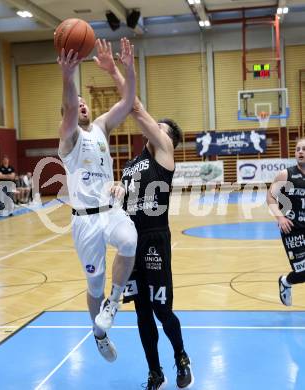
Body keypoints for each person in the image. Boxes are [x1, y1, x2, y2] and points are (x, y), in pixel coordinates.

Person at [94, 39, 193, 389]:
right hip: (130, 241)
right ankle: (155, 371)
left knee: (162, 310)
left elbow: (134, 107)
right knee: (141, 314)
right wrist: (116, 191)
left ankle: (181, 356)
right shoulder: (134, 163)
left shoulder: (165, 152)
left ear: (168, 138)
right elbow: (119, 201)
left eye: (159, 126)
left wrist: (116, 71)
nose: (153, 127)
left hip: (154, 239)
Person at [57, 38, 138, 362]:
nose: (81, 105)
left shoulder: (102, 127)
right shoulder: (68, 139)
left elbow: (128, 99)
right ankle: (99, 333)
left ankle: (115, 302)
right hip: (84, 220)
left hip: (110, 210)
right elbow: (67, 110)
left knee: (129, 240)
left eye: (83, 101)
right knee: (93, 287)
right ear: (67, 113)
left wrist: (124, 68)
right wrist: (68, 76)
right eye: (74, 103)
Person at [267, 137, 305, 306]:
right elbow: (270, 196)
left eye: (303, 149)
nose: (300, 152)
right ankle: (286, 281)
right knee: (303, 272)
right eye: (298, 149)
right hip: (293, 230)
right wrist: (280, 217)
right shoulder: (286, 174)